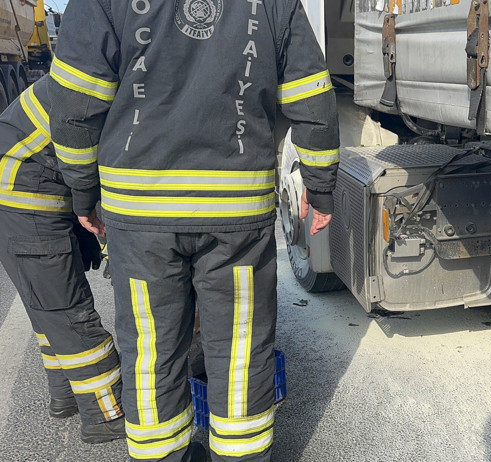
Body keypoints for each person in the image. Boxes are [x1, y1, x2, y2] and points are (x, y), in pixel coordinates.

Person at [49, 1, 340, 460]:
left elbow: (73, 101)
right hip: (236, 213)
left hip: (141, 213)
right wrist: (322, 188)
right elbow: (311, 92)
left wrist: (83, 193)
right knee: (241, 347)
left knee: (150, 351)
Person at [0, 77, 126, 443]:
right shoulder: (110, 91)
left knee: (48, 308)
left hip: (25, 189)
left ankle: (66, 394)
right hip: (28, 197)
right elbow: (107, 181)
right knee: (69, 312)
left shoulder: (91, 75)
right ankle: (106, 414)